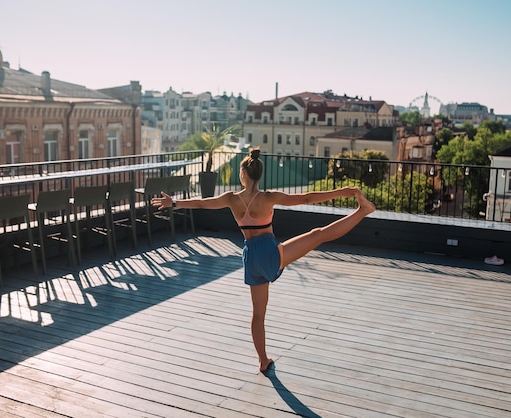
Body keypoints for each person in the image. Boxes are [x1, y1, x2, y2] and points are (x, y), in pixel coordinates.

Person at [151, 148, 375, 372]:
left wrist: (174, 203)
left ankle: (263, 360)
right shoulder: (269, 197)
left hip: (250, 257)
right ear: (259, 175)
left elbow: (201, 203)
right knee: (318, 234)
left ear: (243, 175)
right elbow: (307, 198)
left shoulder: (231, 199)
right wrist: (341, 191)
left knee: (258, 313)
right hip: (269, 252)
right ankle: (362, 211)